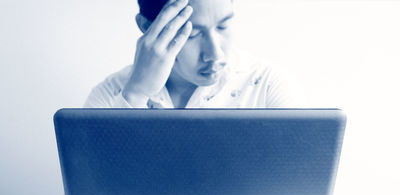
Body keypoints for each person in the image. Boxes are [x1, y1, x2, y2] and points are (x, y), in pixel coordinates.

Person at [84, 0, 307, 108]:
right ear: (147, 27)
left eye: (223, 26)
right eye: (192, 34)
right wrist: (136, 95)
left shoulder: (267, 86)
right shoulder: (111, 96)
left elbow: (305, 187)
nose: (215, 54)